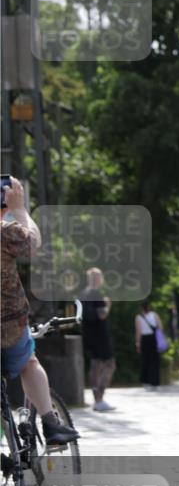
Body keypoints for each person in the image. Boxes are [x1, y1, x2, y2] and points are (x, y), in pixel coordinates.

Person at [0, 177, 79, 444]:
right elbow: (32, 245)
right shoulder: (5, 232)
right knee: (29, 363)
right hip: (8, 328)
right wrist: (19, 209)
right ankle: (50, 423)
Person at [80, 267, 116, 412]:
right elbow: (102, 315)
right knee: (110, 364)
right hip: (100, 335)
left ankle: (97, 400)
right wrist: (108, 304)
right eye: (100, 277)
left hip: (89, 334)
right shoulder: (96, 294)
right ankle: (99, 398)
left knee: (95, 365)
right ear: (97, 279)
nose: (102, 280)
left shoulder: (84, 293)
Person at [135, 301, 163, 390]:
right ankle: (155, 383)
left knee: (145, 361)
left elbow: (138, 332)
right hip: (154, 339)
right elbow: (160, 328)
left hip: (144, 340)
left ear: (141, 308)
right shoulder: (155, 315)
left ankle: (146, 382)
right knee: (155, 361)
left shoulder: (139, 317)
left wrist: (138, 343)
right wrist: (160, 339)